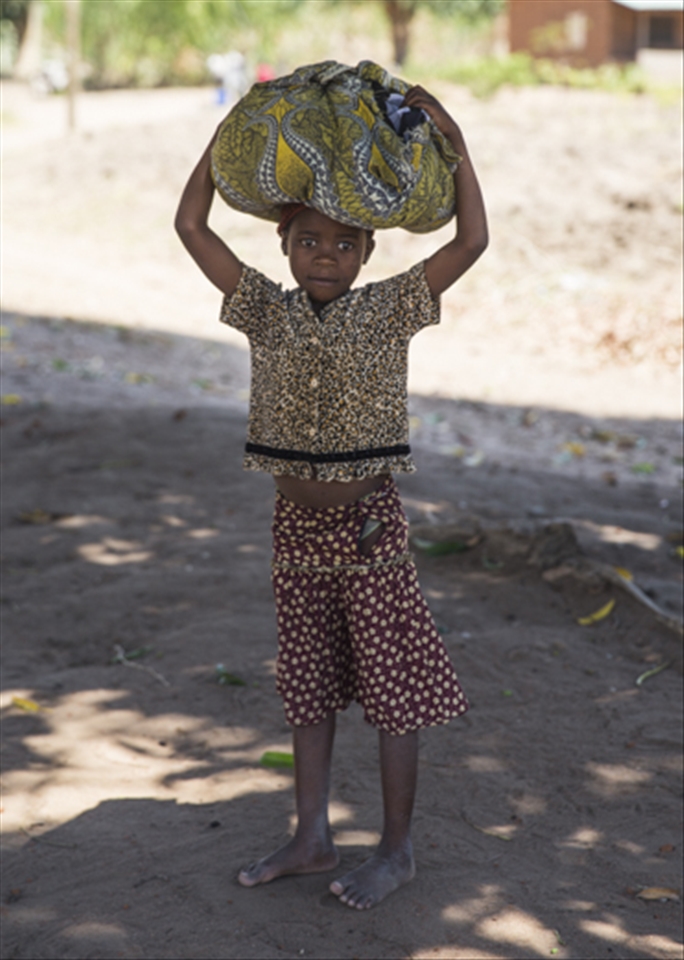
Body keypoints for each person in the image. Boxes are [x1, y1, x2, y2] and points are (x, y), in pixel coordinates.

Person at [175, 84, 488, 910]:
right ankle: (312, 836)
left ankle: (397, 849)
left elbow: (474, 239)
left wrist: (452, 137)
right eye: (308, 240)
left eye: (342, 244)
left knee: (392, 693)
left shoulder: (390, 311)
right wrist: (229, 138)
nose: (324, 255)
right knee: (307, 688)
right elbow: (190, 227)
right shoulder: (263, 313)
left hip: (368, 528)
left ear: (366, 254)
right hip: (294, 531)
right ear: (283, 245)